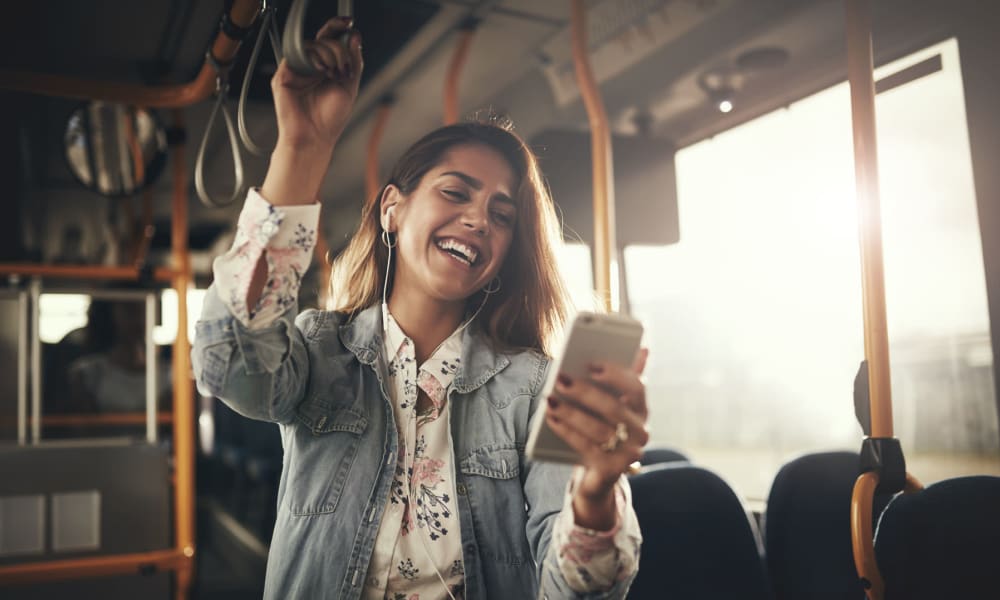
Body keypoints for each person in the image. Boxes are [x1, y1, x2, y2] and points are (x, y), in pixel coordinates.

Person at [192, 17, 650, 600]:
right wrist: (302, 150)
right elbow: (227, 363)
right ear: (392, 210)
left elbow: (576, 590)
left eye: (501, 215)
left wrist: (593, 494)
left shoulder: (534, 385)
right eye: (455, 193)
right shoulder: (320, 351)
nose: (479, 219)